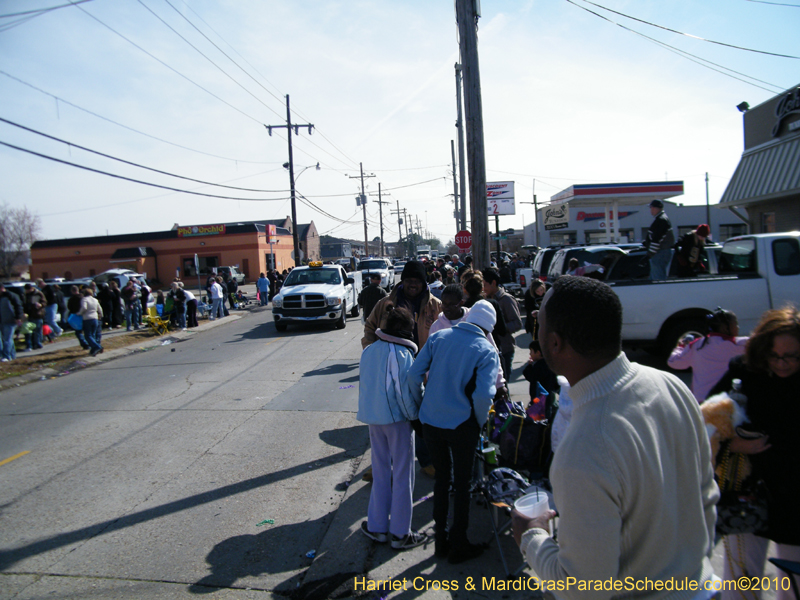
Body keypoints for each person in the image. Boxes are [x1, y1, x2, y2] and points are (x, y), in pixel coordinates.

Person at [512, 276, 719, 595]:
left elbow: (584, 589)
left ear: (554, 343)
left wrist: (531, 537)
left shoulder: (583, 450)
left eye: (539, 324)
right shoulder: (671, 386)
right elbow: (706, 497)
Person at [707, 306, 800, 600]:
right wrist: (732, 444)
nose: (781, 363)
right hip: (747, 493)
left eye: (791, 356)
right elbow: (706, 420)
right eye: (774, 356)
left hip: (795, 500)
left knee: (794, 584)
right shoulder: (745, 371)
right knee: (741, 583)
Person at [408, 300, 500, 564]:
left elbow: (413, 375)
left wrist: (421, 406)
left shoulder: (439, 337)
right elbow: (484, 395)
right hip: (463, 425)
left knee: (441, 480)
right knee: (462, 485)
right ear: (488, 328)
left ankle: (440, 540)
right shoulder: (486, 350)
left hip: (431, 421)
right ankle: (459, 544)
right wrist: (478, 422)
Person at [357, 305, 428, 550]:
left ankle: (377, 526)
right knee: (402, 475)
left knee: (380, 472)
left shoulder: (370, 350)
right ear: (406, 331)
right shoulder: (401, 353)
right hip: (397, 421)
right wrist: (415, 418)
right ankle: (400, 533)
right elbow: (404, 392)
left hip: (374, 420)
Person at [667, 307, 747, 402]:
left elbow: (673, 362)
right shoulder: (738, 344)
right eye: (736, 324)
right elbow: (758, 341)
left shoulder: (696, 345)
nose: (738, 327)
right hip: (726, 402)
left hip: (702, 401)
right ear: (725, 328)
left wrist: (681, 346)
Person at [362, 261, 441, 351]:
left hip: (424, 359)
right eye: (409, 281)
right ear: (402, 281)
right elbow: (370, 327)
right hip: (389, 358)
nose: (413, 284)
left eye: (417, 281)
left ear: (423, 283)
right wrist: (371, 351)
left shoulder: (436, 306)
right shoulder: (384, 304)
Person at [482, 268, 522, 381]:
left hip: (505, 349)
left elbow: (517, 323)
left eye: (484, 285)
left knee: (503, 383)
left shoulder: (506, 300)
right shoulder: (485, 299)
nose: (483, 288)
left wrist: (500, 328)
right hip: (490, 350)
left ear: (493, 283)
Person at [522, 340, 559, 418]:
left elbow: (529, 376)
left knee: (539, 417)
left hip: (539, 398)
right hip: (549, 397)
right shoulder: (550, 364)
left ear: (538, 353)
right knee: (548, 414)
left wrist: (529, 366)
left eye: (531, 351)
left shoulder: (538, 366)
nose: (530, 354)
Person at [643, 198, 676, 280]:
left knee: (657, 279)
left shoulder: (661, 220)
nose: (651, 210)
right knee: (657, 276)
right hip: (662, 252)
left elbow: (656, 240)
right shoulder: (663, 219)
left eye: (651, 208)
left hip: (660, 252)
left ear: (655, 208)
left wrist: (648, 255)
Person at [0, 283, 24, 362]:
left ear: (1, 288)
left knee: (7, 339)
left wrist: (18, 317)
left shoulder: (11, 295)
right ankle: (12, 355)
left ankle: (6, 356)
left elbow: (18, 306)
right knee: (7, 339)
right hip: (2, 320)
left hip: (10, 320)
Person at [78, 287, 104, 357]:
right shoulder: (95, 300)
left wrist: (79, 313)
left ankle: (98, 347)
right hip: (95, 318)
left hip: (87, 318)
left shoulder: (84, 299)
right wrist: (101, 316)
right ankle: (93, 350)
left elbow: (84, 307)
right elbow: (100, 309)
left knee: (88, 335)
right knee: (93, 335)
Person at [66, 285, 90, 350]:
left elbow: (69, 307)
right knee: (87, 331)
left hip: (76, 316)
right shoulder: (83, 297)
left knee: (78, 332)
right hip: (85, 315)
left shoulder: (71, 299)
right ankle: (89, 343)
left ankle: (84, 344)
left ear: (72, 291)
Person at [23, 283, 46, 351]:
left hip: (37, 314)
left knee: (37, 330)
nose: (27, 291)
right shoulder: (25, 295)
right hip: (29, 314)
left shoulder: (38, 293)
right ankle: (32, 344)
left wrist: (41, 305)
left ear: (31, 288)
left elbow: (44, 302)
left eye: (28, 289)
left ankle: (37, 343)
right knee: (30, 331)